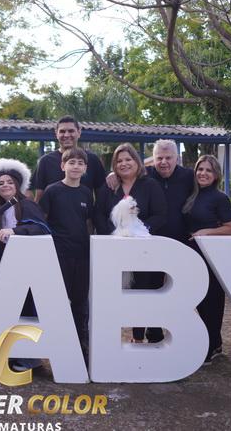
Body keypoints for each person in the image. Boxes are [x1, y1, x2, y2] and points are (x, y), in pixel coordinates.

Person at [0, 158, 51, 371]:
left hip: (25, 268)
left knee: (25, 310)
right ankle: (8, 354)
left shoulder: (27, 204)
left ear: (17, 185)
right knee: (7, 310)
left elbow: (41, 229)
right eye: (1, 183)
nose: (5, 186)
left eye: (9, 182)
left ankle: (30, 359)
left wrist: (15, 231)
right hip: (5, 267)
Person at [95, 143, 167, 343]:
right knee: (113, 292)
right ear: (114, 165)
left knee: (142, 291)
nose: (124, 164)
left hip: (143, 252)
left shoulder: (150, 185)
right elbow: (98, 214)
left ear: (137, 162)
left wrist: (138, 232)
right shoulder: (109, 187)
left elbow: (161, 215)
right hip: (114, 251)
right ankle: (108, 339)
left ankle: (138, 336)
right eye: (119, 161)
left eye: (128, 159)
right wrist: (115, 235)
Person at [37, 147, 94, 358]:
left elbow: (88, 223)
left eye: (80, 163)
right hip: (59, 255)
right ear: (63, 166)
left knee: (80, 302)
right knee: (58, 301)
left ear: (85, 168)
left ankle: (81, 345)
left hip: (82, 255)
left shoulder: (86, 193)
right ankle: (57, 346)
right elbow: (41, 221)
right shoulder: (52, 191)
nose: (76, 166)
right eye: (71, 162)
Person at [181, 155, 231, 365]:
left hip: (212, 256)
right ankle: (212, 342)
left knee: (212, 301)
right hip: (192, 255)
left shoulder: (220, 198)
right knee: (198, 301)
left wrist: (207, 232)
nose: (203, 173)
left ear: (216, 175)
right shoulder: (192, 195)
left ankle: (213, 346)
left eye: (208, 170)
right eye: (200, 169)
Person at [31, 116, 107, 202]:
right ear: (56, 133)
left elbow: (101, 195)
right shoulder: (45, 161)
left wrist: (113, 175)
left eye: (71, 131)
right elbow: (39, 197)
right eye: (62, 131)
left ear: (79, 132)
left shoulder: (92, 159)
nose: (66, 135)